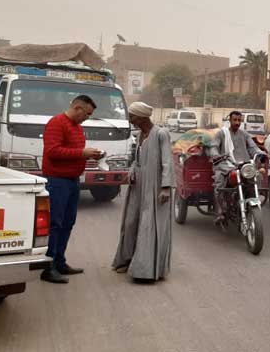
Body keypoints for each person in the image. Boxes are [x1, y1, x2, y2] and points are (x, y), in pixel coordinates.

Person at [41, 95, 103, 284]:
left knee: (68, 222)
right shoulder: (56, 123)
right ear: (77, 108)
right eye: (87, 114)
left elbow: (72, 153)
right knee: (55, 224)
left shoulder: (76, 127)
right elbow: (52, 151)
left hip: (72, 181)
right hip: (57, 181)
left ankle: (60, 262)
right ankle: (47, 267)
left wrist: (89, 156)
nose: (87, 118)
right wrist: (81, 153)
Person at [112, 102, 174, 281]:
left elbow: (167, 162)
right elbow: (136, 159)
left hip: (155, 187)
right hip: (138, 186)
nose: (130, 120)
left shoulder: (161, 134)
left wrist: (165, 188)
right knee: (131, 222)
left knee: (149, 225)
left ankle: (144, 270)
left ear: (142, 117)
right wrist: (131, 172)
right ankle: (127, 259)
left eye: (132, 116)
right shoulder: (139, 134)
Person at [209, 111, 264, 225]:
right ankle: (220, 210)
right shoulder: (222, 133)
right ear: (230, 120)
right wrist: (215, 155)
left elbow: (253, 147)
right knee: (219, 181)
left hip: (243, 164)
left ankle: (254, 198)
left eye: (239, 120)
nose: (237, 123)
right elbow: (214, 147)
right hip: (225, 164)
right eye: (235, 120)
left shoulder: (244, 134)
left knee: (257, 175)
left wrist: (260, 153)